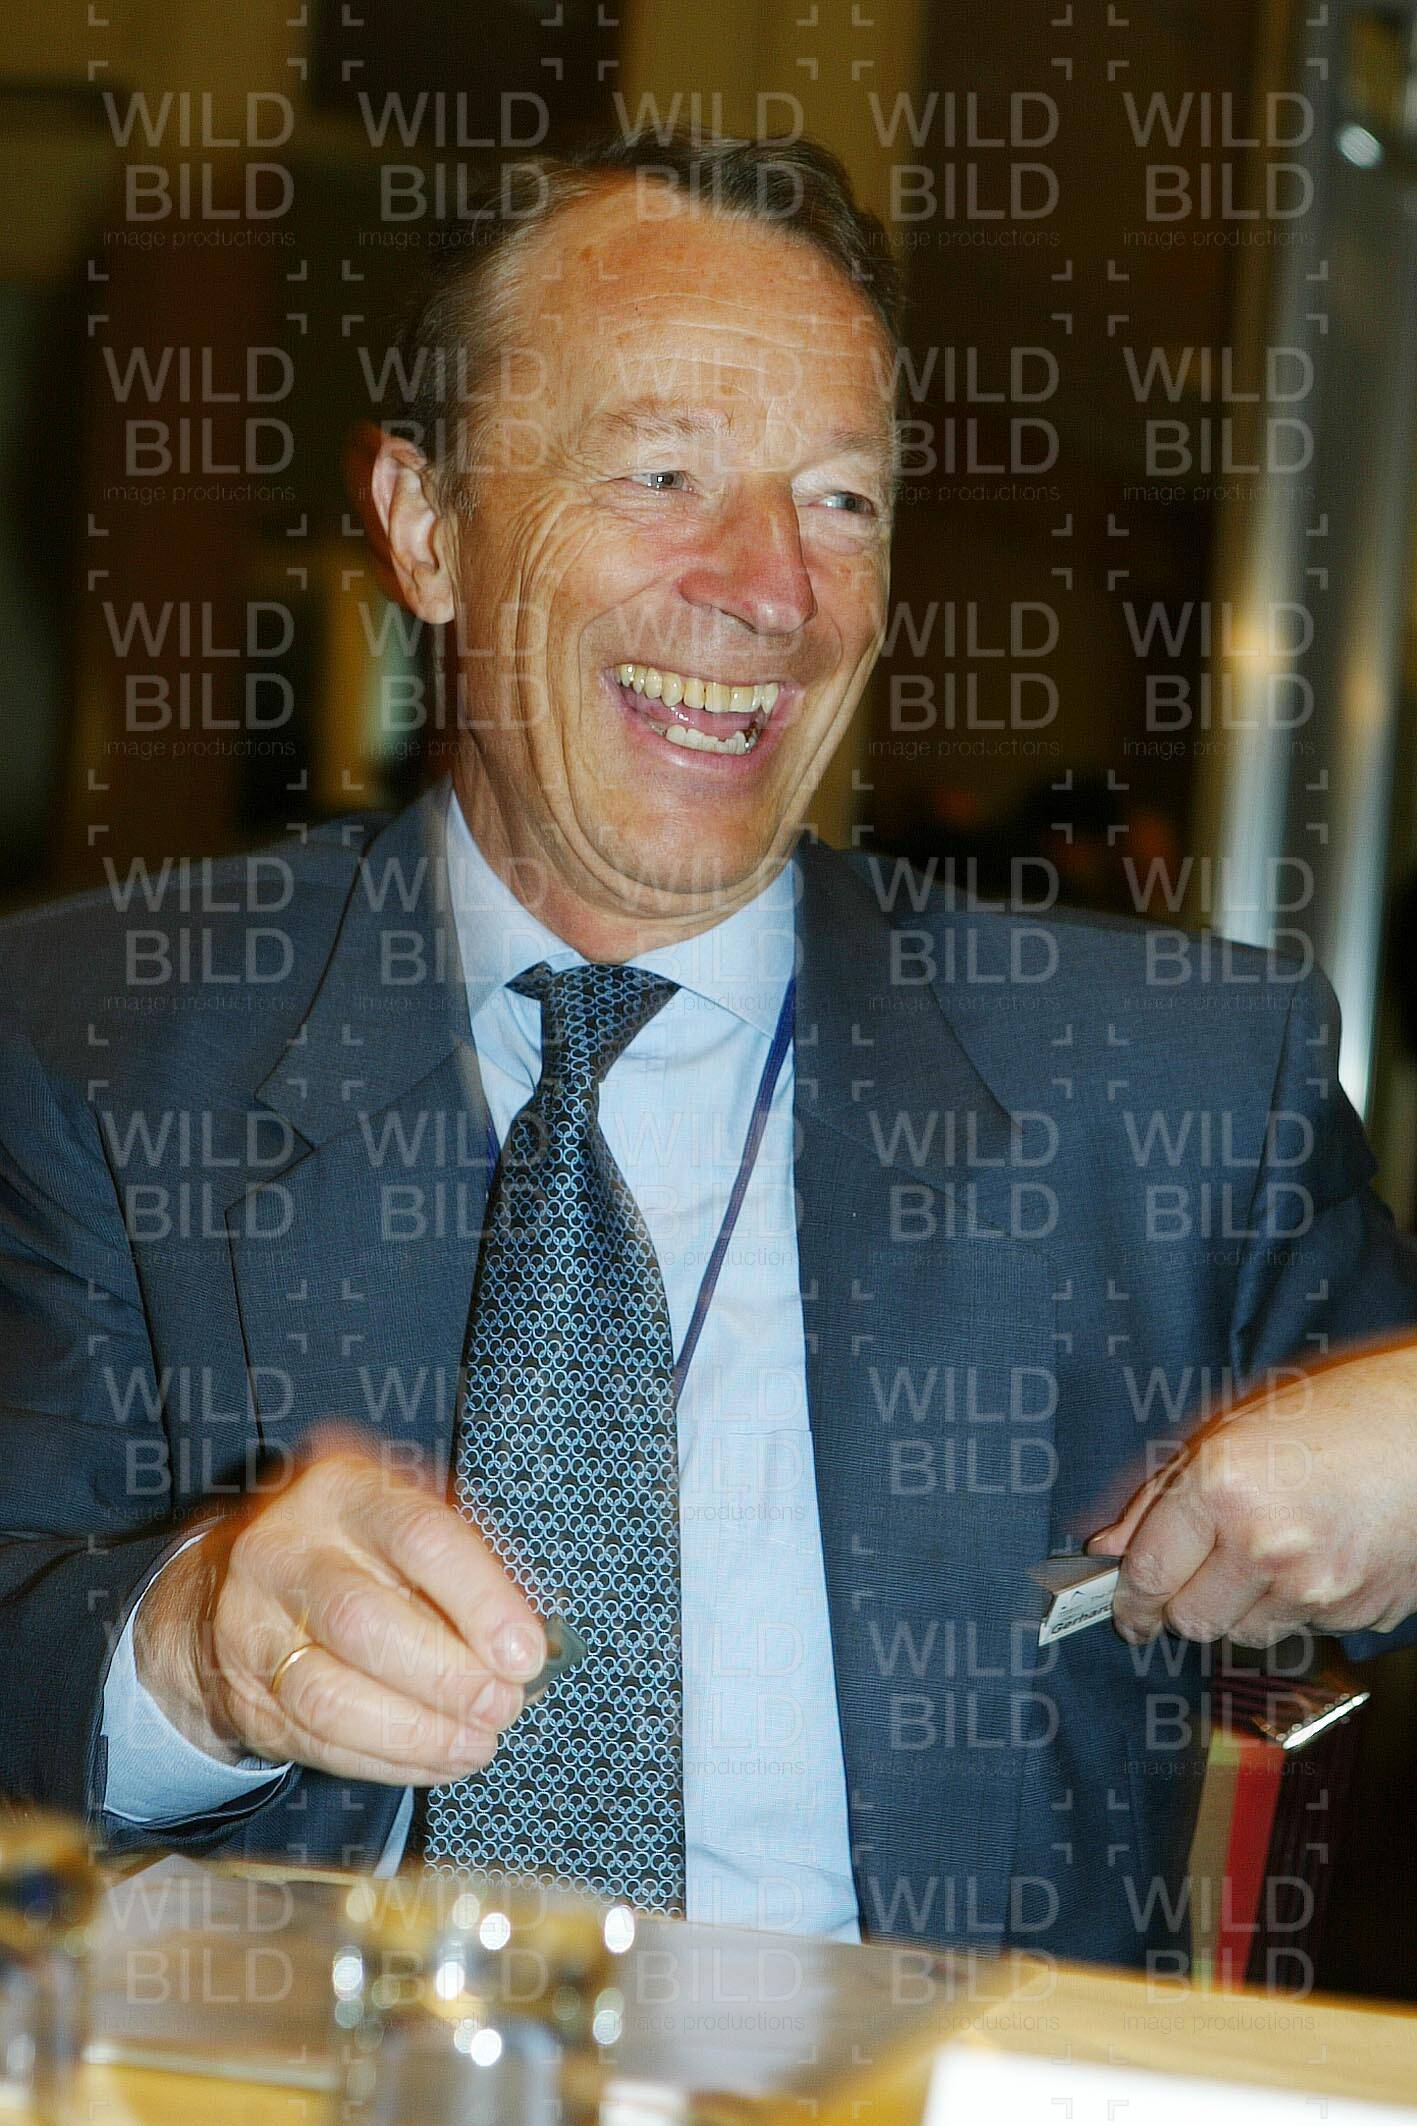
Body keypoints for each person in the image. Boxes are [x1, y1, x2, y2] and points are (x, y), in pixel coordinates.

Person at [1, 131, 1416, 1973]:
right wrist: (188, 1648)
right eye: (661, 472)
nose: (769, 586)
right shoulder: (101, 1044)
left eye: (840, 499)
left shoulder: (1168, 1085)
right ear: (425, 526)